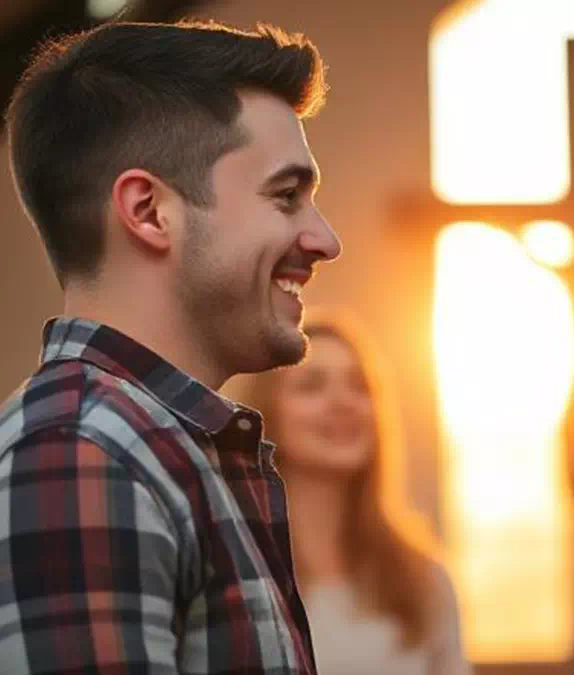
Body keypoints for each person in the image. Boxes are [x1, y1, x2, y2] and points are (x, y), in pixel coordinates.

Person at [0, 20, 341, 674]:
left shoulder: (160, 448)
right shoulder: (82, 452)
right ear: (149, 211)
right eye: (286, 196)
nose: (326, 239)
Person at [234, 309, 472, 675]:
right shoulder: (232, 564)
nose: (343, 403)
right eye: (312, 385)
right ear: (266, 412)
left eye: (359, 386)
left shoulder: (423, 579)